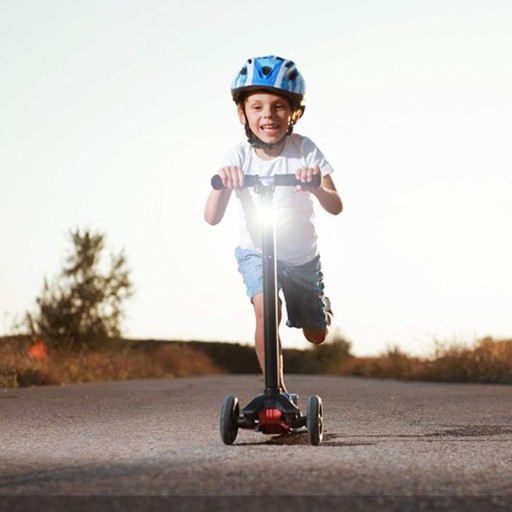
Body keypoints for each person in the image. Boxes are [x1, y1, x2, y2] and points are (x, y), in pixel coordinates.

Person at [204, 55, 342, 388]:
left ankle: (320, 310)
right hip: (255, 249)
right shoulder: (238, 156)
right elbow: (211, 217)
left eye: (279, 106)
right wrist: (224, 184)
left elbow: (336, 205)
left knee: (315, 334)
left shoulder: (304, 149)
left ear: (295, 113)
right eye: (257, 107)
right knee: (267, 310)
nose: (268, 115)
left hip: (300, 256)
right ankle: (274, 390)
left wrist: (316, 185)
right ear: (242, 113)